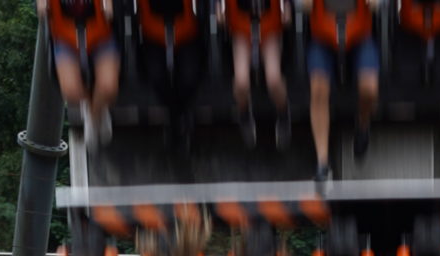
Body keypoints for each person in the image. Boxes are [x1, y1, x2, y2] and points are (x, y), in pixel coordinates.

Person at [304, 0, 378, 190]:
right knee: (318, 88)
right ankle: (322, 162)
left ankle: (363, 125)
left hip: (359, 34)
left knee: (369, 88)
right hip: (323, 36)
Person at [42, 0, 121, 142]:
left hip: (100, 35)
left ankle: (96, 112)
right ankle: (92, 108)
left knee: (108, 88)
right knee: (71, 91)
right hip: (66, 37)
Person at [136, 0, 205, 159]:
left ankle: (179, 117)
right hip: (153, 32)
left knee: (190, 76)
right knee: (156, 74)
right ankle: (177, 117)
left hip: (187, 31)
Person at [221, 0, 291, 146]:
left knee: (274, 79)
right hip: (241, 29)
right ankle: (244, 114)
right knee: (241, 82)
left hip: (269, 28)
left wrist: (287, 7)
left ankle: (283, 114)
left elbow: (287, 15)